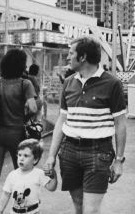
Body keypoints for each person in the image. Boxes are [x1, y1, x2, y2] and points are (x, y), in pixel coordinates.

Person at [43, 36, 127, 214]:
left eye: (71, 53)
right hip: (69, 152)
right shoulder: (68, 82)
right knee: (78, 206)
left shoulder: (112, 84)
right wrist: (51, 155)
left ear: (82, 57)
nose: (67, 57)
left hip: (98, 152)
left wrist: (118, 161)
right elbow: (62, 120)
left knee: (91, 211)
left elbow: (120, 123)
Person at [0, 49, 38, 214]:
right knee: (22, 174)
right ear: (21, 66)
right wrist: (24, 117)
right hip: (16, 135)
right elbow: (33, 107)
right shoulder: (24, 84)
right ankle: (23, 209)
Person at [0, 139, 57, 214]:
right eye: (19, 155)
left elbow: (51, 187)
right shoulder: (12, 175)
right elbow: (6, 194)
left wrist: (53, 176)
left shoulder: (38, 173)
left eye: (26, 156)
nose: (21, 159)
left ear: (35, 160)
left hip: (33, 212)